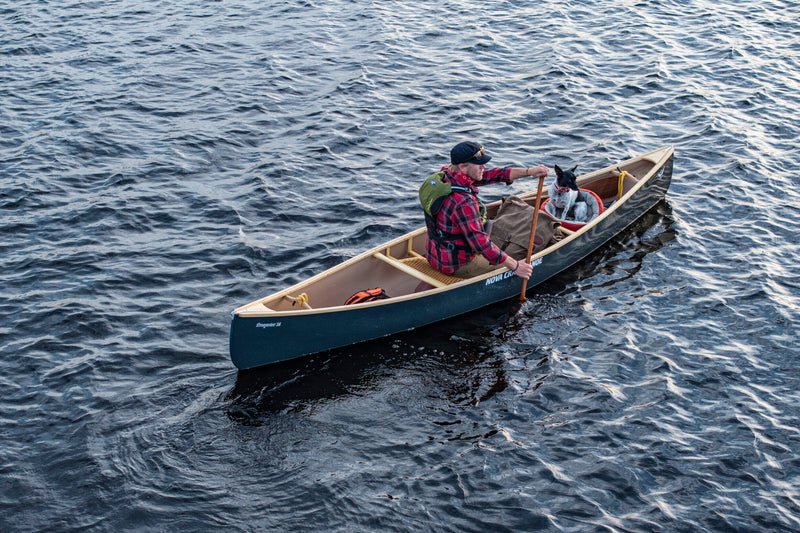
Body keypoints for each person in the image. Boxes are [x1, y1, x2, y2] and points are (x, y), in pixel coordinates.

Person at [423, 141, 549, 280]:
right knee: (513, 262)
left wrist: (529, 172)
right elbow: (480, 242)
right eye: (479, 164)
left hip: (434, 255)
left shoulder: (446, 176)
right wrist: (516, 266)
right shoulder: (464, 202)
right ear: (463, 167)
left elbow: (494, 174)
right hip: (456, 264)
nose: (484, 166)